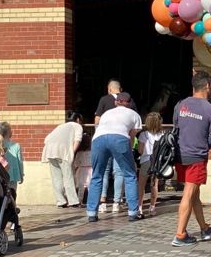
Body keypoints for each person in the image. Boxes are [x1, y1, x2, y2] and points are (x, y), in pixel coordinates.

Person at [172, 70, 211, 248]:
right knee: (189, 193)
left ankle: (204, 228)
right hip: (196, 157)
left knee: (194, 194)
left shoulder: (180, 105)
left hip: (180, 155)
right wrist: (202, 147)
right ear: (207, 86)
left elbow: (176, 127)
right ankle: (180, 234)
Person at [87, 92, 143, 222]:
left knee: (97, 175)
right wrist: (128, 152)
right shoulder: (134, 115)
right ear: (129, 103)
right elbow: (132, 136)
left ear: (116, 102)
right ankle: (133, 212)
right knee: (129, 174)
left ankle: (91, 213)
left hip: (98, 139)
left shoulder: (107, 113)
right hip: (120, 138)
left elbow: (99, 125)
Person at [42, 112, 84, 207]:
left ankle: (61, 201)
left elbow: (46, 139)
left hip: (50, 151)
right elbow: (78, 140)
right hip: (63, 151)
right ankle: (73, 201)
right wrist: (71, 153)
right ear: (77, 119)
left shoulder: (61, 126)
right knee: (68, 177)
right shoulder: (77, 126)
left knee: (56, 177)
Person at [135, 112, 165, 216]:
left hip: (146, 160)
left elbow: (140, 150)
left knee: (141, 185)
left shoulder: (144, 134)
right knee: (154, 185)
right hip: (156, 162)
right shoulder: (162, 134)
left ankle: (139, 207)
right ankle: (152, 207)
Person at [1, 123, 25, 191]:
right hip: (13, 175)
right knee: (12, 194)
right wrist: (21, 175)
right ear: (8, 132)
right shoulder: (16, 145)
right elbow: (20, 162)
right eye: (11, 130)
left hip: (1, 174)